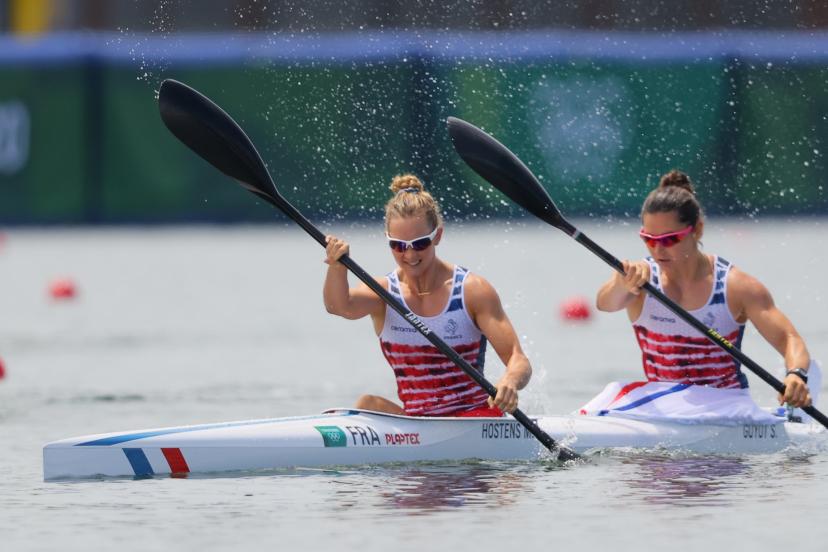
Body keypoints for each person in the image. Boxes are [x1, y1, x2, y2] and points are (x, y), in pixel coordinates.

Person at [596, 170, 813, 410]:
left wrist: (796, 375)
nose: (657, 250)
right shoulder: (640, 281)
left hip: (726, 407)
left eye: (669, 240)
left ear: (697, 229)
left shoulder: (736, 287)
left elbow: (789, 339)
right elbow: (605, 304)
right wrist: (620, 282)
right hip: (664, 403)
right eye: (648, 239)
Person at [323, 174, 531, 417]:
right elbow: (339, 306)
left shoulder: (472, 291)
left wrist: (509, 382)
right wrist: (336, 267)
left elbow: (519, 359)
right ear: (388, 241)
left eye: (420, 243)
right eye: (399, 246)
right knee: (367, 404)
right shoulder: (383, 292)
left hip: (473, 418)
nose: (410, 255)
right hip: (417, 423)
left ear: (438, 236)